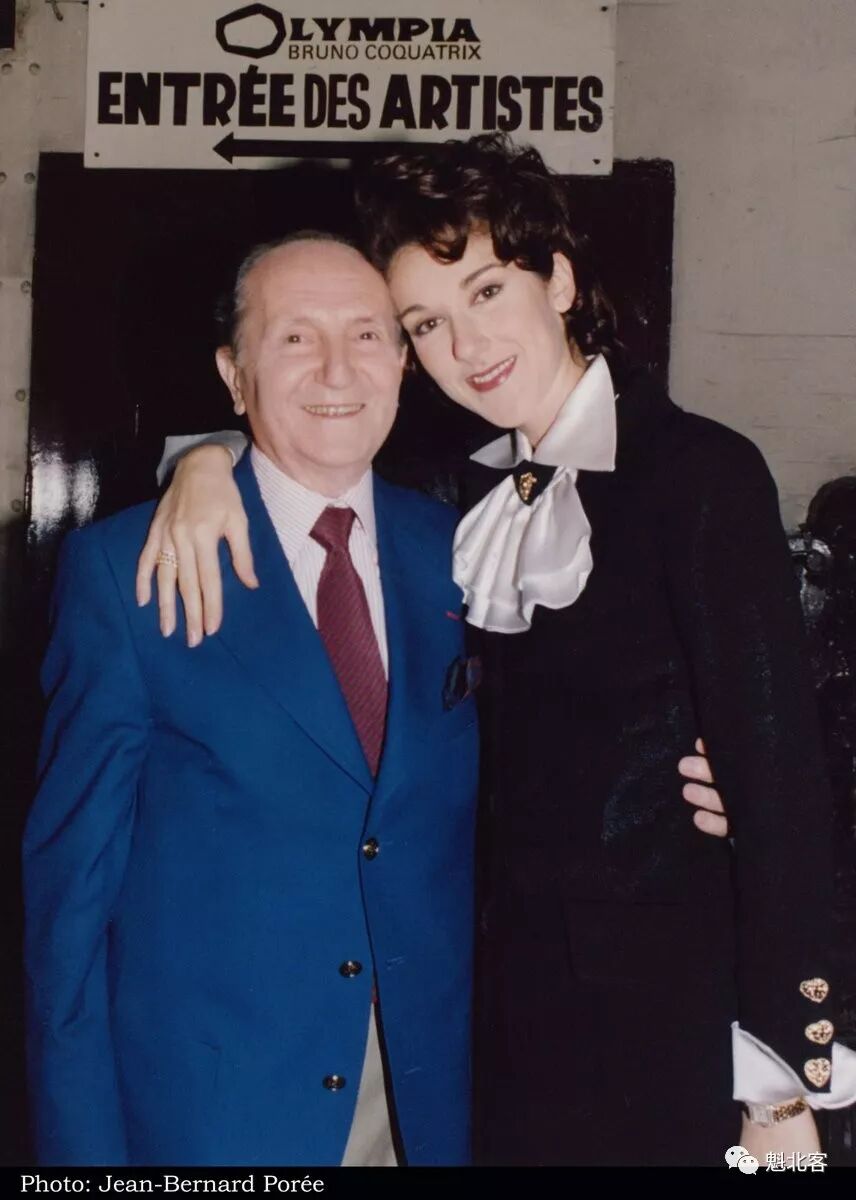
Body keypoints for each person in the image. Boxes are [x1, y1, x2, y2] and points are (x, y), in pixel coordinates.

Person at [136, 137, 855, 1165]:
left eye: (485, 291)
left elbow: (780, 800)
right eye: (426, 323)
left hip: (676, 1038)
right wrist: (205, 463)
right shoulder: (464, 490)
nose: (465, 345)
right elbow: (307, 454)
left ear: (557, 280)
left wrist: (784, 1089)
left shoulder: (700, 475)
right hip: (502, 1041)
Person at [23, 235, 480, 1166]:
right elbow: (68, 909)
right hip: (216, 1114)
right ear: (235, 377)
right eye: (295, 338)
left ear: (404, 360)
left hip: (432, 1101)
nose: (338, 369)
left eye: (366, 334)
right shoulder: (127, 571)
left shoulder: (468, 554)